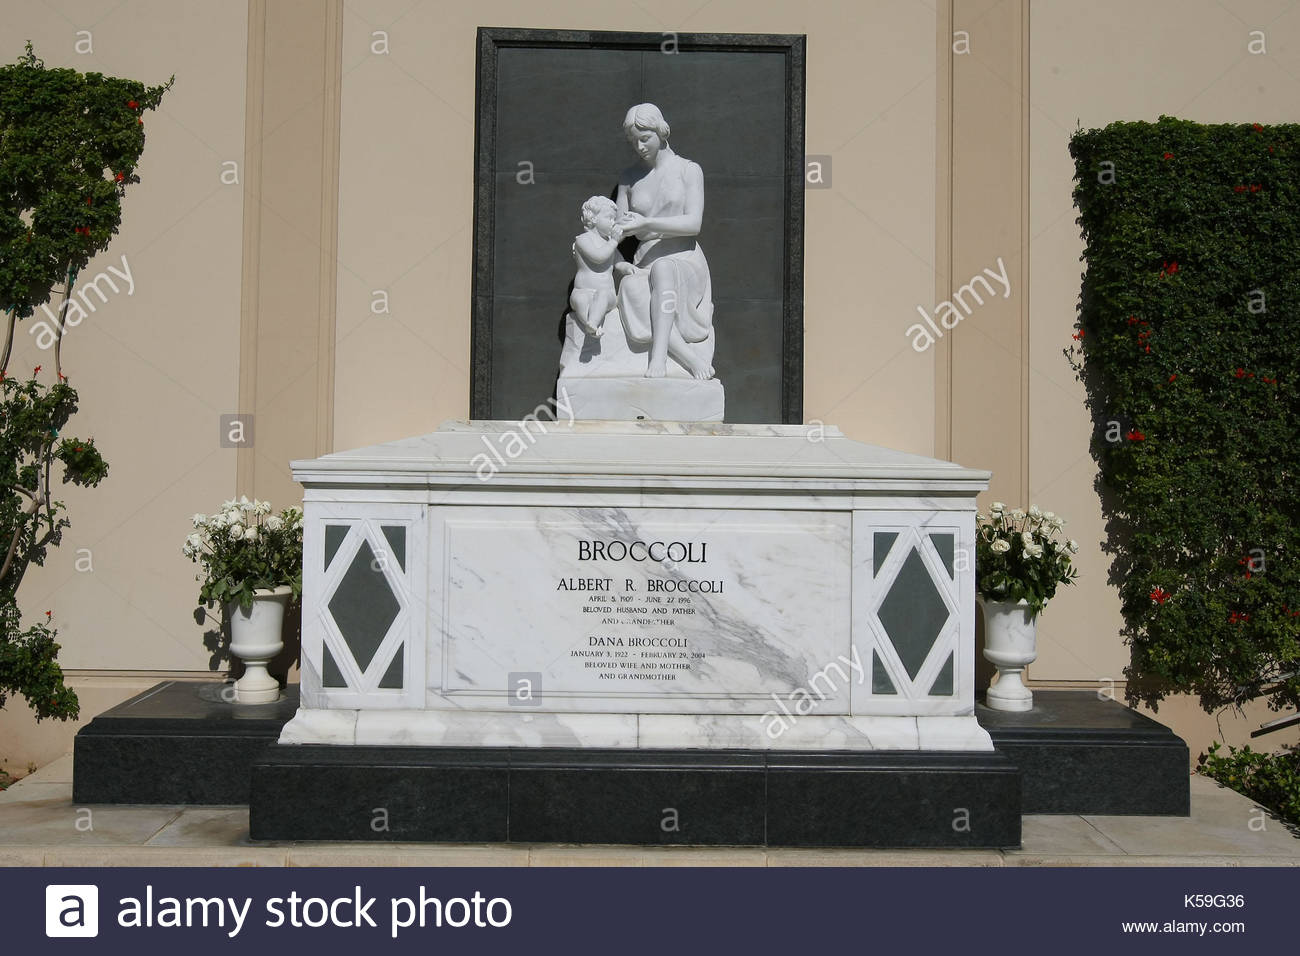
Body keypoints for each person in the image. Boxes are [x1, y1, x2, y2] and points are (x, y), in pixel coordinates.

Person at [615, 103, 716, 379]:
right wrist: (614, 257)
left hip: (684, 261)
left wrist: (646, 223)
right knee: (633, 288)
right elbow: (617, 230)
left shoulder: (688, 170)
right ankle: (691, 360)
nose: (639, 146)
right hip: (644, 263)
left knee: (664, 270)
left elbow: (693, 223)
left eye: (645, 138)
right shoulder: (628, 178)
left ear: (661, 132)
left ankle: (657, 360)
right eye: (633, 141)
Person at [568, 195, 623, 338]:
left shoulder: (610, 243)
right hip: (583, 290)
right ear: (593, 219)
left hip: (607, 293)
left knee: (602, 295)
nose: (613, 222)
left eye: (614, 219)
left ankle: (593, 321)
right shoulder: (583, 240)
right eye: (609, 218)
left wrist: (629, 268)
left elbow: (619, 262)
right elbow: (598, 257)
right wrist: (614, 242)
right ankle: (589, 324)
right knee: (580, 300)